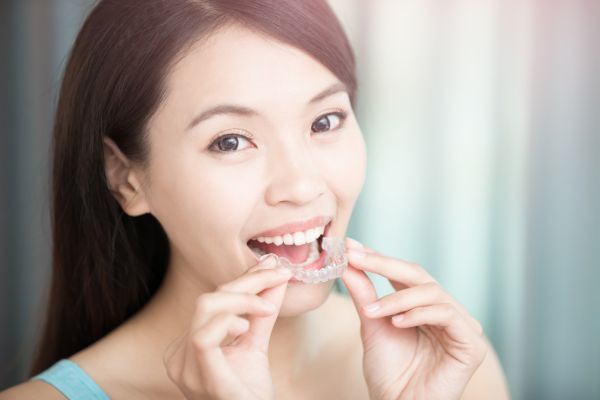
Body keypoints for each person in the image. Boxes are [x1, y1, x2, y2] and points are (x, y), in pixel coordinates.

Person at [0, 0, 510, 398]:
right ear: (127, 179)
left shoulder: (450, 366)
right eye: (230, 141)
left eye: (325, 121)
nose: (303, 186)